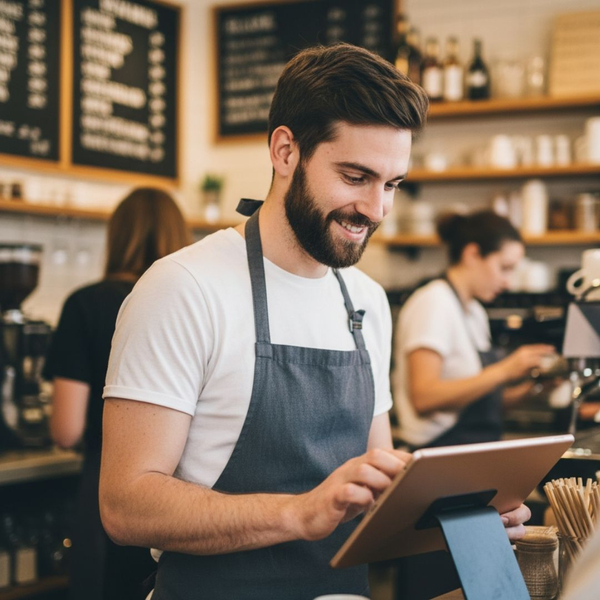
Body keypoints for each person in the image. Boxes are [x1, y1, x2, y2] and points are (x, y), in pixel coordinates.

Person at [99, 44, 530, 600]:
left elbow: (378, 480)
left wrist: (456, 512)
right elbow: (125, 504)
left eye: (393, 184)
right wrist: (300, 514)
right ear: (285, 151)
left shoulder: (367, 300)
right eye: (356, 176)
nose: (376, 209)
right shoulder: (184, 288)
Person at [43, 188, 191, 600]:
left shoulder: (85, 304)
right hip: (184, 499)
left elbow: (67, 429)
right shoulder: (190, 304)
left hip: (106, 495)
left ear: (116, 236)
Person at [393, 210, 555, 450]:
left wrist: (537, 387)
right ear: (472, 254)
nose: (508, 282)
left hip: (468, 452)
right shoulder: (433, 302)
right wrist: (505, 370)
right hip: (436, 456)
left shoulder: (475, 312)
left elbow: (484, 404)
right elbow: (423, 397)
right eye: (504, 267)